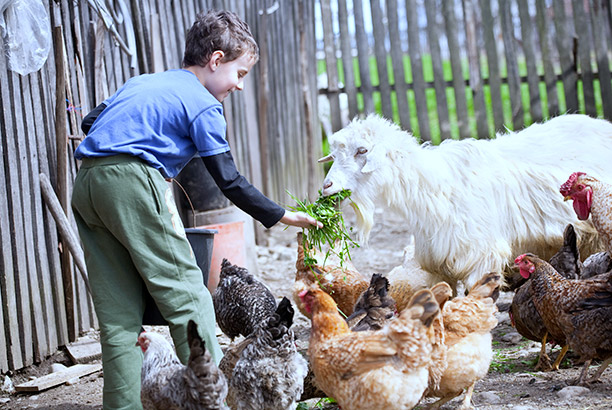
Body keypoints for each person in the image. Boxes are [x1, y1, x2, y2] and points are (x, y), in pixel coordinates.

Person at [71, 9, 321, 410]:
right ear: (216, 60)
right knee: (188, 295)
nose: (239, 87)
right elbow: (228, 179)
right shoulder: (204, 103)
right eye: (239, 74)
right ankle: (218, 402)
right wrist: (282, 215)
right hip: (133, 182)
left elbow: (90, 120)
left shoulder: (143, 82)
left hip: (87, 182)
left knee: (118, 317)